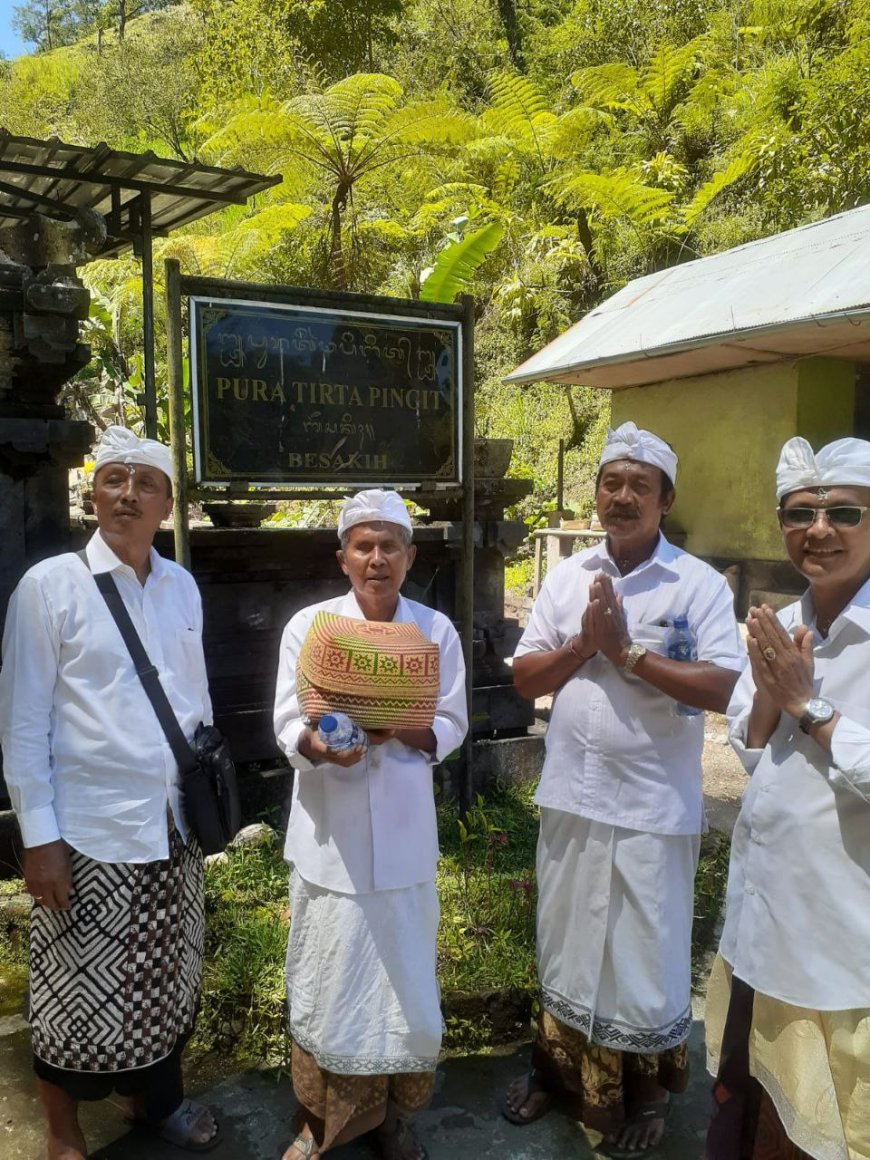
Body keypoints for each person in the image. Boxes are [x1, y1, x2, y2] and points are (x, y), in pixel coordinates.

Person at [503, 421, 744, 1152]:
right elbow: (523, 678)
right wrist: (584, 646)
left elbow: (725, 684)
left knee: (646, 950)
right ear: (597, 494)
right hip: (572, 794)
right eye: (612, 482)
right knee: (566, 940)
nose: (623, 496)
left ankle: (644, 1094)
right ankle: (557, 1073)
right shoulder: (567, 576)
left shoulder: (695, 584)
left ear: (666, 499)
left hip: (653, 805)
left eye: (641, 485)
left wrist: (630, 653)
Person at [0, 426, 219, 1159]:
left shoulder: (181, 585)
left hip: (173, 827)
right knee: (71, 997)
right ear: (93, 493)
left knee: (161, 983)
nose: (126, 494)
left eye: (144, 483)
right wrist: (40, 839)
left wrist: (208, 795)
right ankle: (63, 1134)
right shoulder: (51, 587)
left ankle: (153, 1103)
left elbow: (195, 701)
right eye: (112, 479)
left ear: (167, 502)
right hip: (89, 832)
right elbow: (24, 722)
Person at [273, 488, 468, 1160]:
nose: (377, 557)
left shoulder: (434, 633)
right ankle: (319, 1119)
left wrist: (399, 726)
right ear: (343, 557)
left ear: (410, 557)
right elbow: (286, 722)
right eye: (364, 545)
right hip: (331, 840)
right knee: (329, 982)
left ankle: (392, 1118)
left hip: (406, 839)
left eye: (390, 545)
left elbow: (452, 723)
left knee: (403, 986)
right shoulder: (310, 629)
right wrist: (319, 746)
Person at [705, 436, 870, 1160]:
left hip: (842, 947)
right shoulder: (788, 620)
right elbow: (749, 747)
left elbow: (805, 721)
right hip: (764, 924)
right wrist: (775, 694)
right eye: (800, 513)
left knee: (824, 1132)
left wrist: (810, 707)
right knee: (751, 1113)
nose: (820, 530)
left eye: (844, 512)